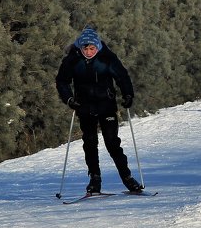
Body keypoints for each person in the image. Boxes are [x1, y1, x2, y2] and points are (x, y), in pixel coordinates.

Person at [55, 24, 142, 195]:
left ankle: (127, 178)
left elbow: (122, 76)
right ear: (80, 47)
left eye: (92, 47)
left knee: (112, 142)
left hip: (106, 105)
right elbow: (62, 81)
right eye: (85, 48)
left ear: (97, 46)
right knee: (90, 142)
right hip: (84, 106)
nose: (89, 51)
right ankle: (95, 179)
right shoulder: (72, 59)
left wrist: (128, 95)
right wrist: (69, 99)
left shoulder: (107, 57)